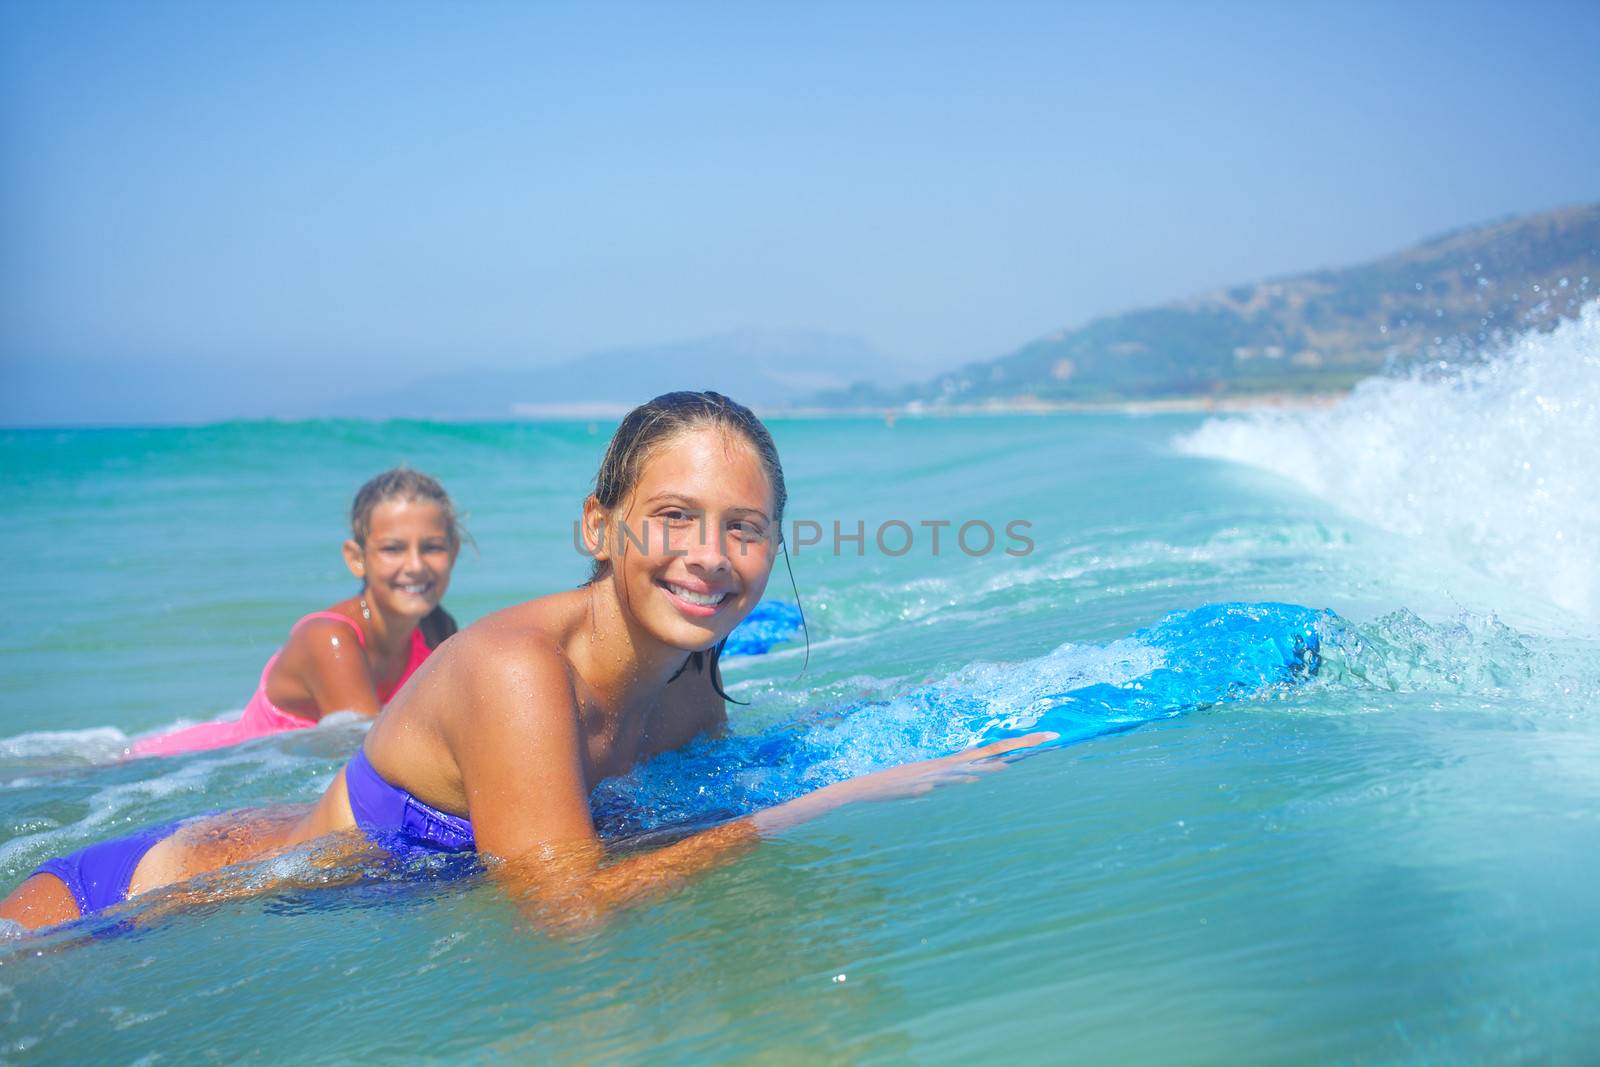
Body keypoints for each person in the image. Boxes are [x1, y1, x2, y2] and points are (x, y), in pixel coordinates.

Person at [0, 392, 1050, 933]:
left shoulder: (689, 685)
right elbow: (564, 910)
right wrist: (826, 800)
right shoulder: (514, 669)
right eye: (673, 516)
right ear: (600, 526)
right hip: (145, 907)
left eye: (745, 527)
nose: (708, 555)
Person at [130, 469, 463, 758]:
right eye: (393, 549)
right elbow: (369, 752)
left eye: (432, 547)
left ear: (454, 551)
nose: (416, 566)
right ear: (356, 558)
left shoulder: (436, 631)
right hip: (190, 763)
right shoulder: (330, 639)